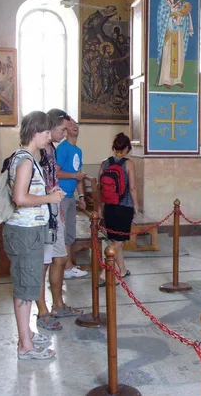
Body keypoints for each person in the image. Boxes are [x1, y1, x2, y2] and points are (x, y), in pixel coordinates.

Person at [3, 111, 65, 360]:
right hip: (25, 232)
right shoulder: (26, 160)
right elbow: (20, 198)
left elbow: (26, 192)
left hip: (28, 231)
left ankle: (26, 334)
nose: (50, 137)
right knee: (25, 287)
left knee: (26, 285)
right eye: (47, 132)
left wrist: (47, 191)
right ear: (35, 132)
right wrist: (49, 198)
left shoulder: (25, 158)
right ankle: (25, 345)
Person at [35, 109, 83, 331]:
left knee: (60, 259)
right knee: (44, 263)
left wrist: (58, 210)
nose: (64, 133)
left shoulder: (52, 150)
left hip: (55, 212)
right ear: (49, 127)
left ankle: (58, 304)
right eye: (62, 129)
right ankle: (42, 310)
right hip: (41, 214)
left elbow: (52, 181)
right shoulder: (36, 153)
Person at [98, 132, 140, 285]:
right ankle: (104, 272)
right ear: (128, 148)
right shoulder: (128, 164)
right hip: (124, 207)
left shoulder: (105, 163)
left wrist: (100, 208)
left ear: (113, 147)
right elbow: (133, 187)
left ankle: (122, 270)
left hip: (109, 206)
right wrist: (136, 206)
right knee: (119, 242)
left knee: (116, 239)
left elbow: (100, 187)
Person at [56, 118, 89, 279]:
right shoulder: (62, 149)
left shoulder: (78, 150)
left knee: (69, 232)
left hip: (70, 197)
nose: (74, 126)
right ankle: (65, 267)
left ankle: (68, 266)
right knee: (62, 232)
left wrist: (81, 196)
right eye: (70, 125)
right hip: (60, 195)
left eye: (76, 124)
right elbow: (56, 172)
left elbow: (79, 175)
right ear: (64, 130)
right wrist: (75, 175)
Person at [155, 0, 194, 89]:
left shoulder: (181, 4)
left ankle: (177, 79)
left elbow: (184, 17)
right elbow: (162, 15)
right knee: (168, 54)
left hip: (178, 33)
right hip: (168, 31)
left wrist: (185, 14)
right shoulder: (165, 1)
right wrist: (175, 13)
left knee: (179, 55)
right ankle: (166, 79)